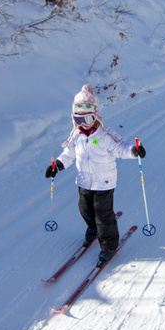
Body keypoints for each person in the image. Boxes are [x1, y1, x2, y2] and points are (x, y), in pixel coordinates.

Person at [44, 84, 146, 264]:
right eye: (78, 119)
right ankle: (93, 228)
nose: (82, 124)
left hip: (104, 183)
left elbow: (120, 147)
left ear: (96, 114)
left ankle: (108, 245)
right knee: (84, 209)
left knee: (103, 215)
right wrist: (58, 165)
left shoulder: (105, 133)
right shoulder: (76, 134)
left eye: (87, 118)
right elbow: (69, 154)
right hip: (84, 181)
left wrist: (133, 151)